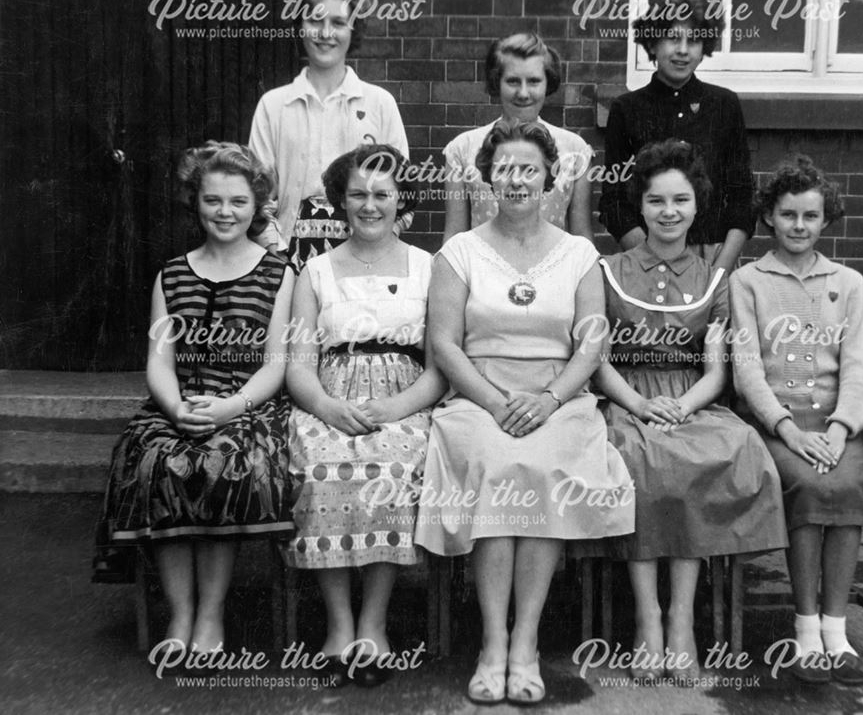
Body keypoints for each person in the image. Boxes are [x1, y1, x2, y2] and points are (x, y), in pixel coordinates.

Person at [415, 120, 634, 704]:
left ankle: (526, 642)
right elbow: (444, 343)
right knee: (491, 461)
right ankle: (492, 642)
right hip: (477, 395)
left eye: (528, 169)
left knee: (541, 466)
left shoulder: (580, 254)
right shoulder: (458, 252)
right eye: (505, 169)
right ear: (487, 177)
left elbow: (591, 342)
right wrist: (493, 400)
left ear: (549, 178)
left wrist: (550, 399)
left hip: (557, 396)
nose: (516, 180)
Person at [595, 140, 786, 680]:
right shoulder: (608, 270)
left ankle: (681, 617)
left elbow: (718, 371)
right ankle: (647, 618)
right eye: (656, 201)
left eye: (680, 200)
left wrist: (679, 405)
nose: (669, 212)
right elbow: (598, 360)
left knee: (718, 452)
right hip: (626, 395)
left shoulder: (713, 278)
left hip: (690, 397)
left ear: (698, 205)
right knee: (633, 463)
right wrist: (637, 403)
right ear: (641, 206)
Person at [96, 142, 294, 658]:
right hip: (177, 404)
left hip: (248, 405)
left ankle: (211, 611)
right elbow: (159, 360)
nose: (224, 212)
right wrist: (175, 406)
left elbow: (276, 363)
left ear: (256, 206)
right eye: (212, 201)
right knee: (156, 460)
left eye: (237, 201)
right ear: (196, 203)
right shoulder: (172, 272)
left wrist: (232, 408)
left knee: (222, 462)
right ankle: (180, 610)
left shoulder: (279, 273)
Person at [282, 144, 444, 688]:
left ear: (402, 200)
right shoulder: (315, 272)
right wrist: (326, 406)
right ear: (340, 200)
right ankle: (338, 623)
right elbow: (298, 367)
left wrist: (398, 407)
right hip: (331, 396)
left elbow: (442, 364)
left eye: (382, 194)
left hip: (405, 395)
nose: (370, 205)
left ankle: (373, 622)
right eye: (358, 194)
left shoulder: (429, 268)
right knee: (323, 467)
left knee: (389, 470)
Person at [730, 155, 863, 686]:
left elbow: (857, 365)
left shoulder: (848, 281)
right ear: (770, 217)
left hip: (835, 428)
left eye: (811, 216)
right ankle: (804, 630)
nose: (799, 226)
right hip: (777, 428)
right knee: (808, 485)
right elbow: (747, 368)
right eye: (789, 214)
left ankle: (835, 630)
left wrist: (840, 429)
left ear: (825, 220)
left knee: (843, 483)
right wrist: (789, 431)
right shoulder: (748, 280)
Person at [249, 0, 409, 271]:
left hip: (365, 252)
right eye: (315, 20)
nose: (325, 33)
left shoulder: (380, 103)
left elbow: (401, 194)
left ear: (353, 30)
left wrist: (375, 249)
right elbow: (255, 194)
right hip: (287, 254)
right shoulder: (273, 105)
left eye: (337, 23)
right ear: (300, 26)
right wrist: (277, 255)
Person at [598, 0, 753, 274]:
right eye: (672, 38)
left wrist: (718, 272)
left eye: (694, 40)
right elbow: (614, 202)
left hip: (714, 255)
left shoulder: (724, 105)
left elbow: (742, 198)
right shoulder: (627, 108)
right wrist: (653, 259)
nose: (683, 50)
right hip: (645, 256)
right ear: (653, 43)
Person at [441, 32, 594, 242]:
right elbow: (454, 237)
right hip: (483, 271)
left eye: (533, 81)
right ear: (497, 82)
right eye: (513, 81)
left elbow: (582, 237)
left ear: (547, 83)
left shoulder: (575, 150)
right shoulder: (463, 148)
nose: (523, 93)